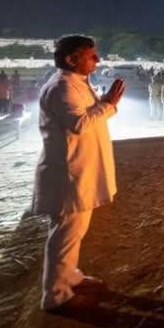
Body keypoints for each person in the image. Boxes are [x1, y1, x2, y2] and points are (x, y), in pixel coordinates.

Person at [32, 35, 125, 311]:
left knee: (73, 231)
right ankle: (56, 295)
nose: (97, 60)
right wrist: (108, 103)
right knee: (65, 232)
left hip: (79, 169)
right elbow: (80, 124)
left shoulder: (75, 83)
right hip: (68, 173)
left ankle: (70, 276)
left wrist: (107, 104)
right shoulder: (62, 88)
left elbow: (93, 116)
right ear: (72, 59)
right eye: (91, 55)